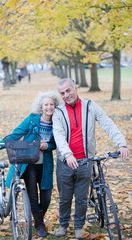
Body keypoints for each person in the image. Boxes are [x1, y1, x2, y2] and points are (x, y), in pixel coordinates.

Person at [52, 78, 129, 239]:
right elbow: (58, 136)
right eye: (62, 93)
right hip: (65, 163)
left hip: (86, 162)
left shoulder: (90, 106)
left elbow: (107, 123)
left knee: (81, 197)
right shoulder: (58, 112)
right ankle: (63, 224)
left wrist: (121, 144)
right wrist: (68, 154)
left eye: (68, 91)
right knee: (65, 198)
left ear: (76, 88)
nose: (66, 95)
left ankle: (79, 226)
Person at [0, 91, 59, 238]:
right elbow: (15, 134)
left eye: (51, 104)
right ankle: (39, 225)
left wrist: (48, 146)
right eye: (46, 104)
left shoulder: (57, 122)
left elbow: (57, 142)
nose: (49, 107)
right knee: (32, 195)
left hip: (45, 164)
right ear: (41, 106)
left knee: (46, 198)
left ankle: (37, 218)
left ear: (55, 106)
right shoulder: (32, 120)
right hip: (28, 162)